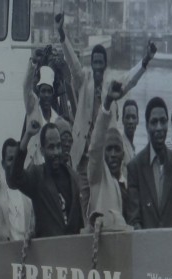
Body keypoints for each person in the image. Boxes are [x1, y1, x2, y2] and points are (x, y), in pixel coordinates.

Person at [57, 13, 157, 170]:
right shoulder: (83, 80)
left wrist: (146, 60)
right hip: (82, 152)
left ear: (104, 65)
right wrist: (62, 34)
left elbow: (130, 79)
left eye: (100, 63)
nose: (97, 66)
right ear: (91, 64)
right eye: (95, 62)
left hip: (103, 154)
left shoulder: (111, 86)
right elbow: (73, 63)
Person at [8, 119, 85, 239]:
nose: (56, 152)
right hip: (47, 253)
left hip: (72, 252)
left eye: (58, 146)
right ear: (42, 150)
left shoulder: (73, 177)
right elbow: (14, 178)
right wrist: (27, 136)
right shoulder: (37, 176)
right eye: (51, 147)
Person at [125, 97, 172, 230]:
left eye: (163, 121)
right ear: (146, 126)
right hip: (145, 247)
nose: (159, 127)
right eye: (154, 122)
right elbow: (134, 219)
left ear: (168, 125)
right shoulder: (135, 167)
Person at [85, 82, 131, 231]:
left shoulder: (128, 182)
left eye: (116, 150)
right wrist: (107, 104)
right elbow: (95, 146)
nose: (112, 155)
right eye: (108, 150)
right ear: (103, 153)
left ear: (123, 154)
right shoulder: (97, 178)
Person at [22, 61, 62, 168]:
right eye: (43, 91)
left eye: (49, 91)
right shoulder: (32, 110)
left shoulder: (57, 119)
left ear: (53, 94)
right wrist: (33, 64)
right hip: (33, 169)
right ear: (39, 92)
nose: (46, 95)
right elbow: (26, 87)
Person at [121, 99, 140, 163]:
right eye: (127, 117)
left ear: (137, 120)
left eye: (133, 117)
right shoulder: (120, 146)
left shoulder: (133, 147)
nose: (130, 121)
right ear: (122, 120)